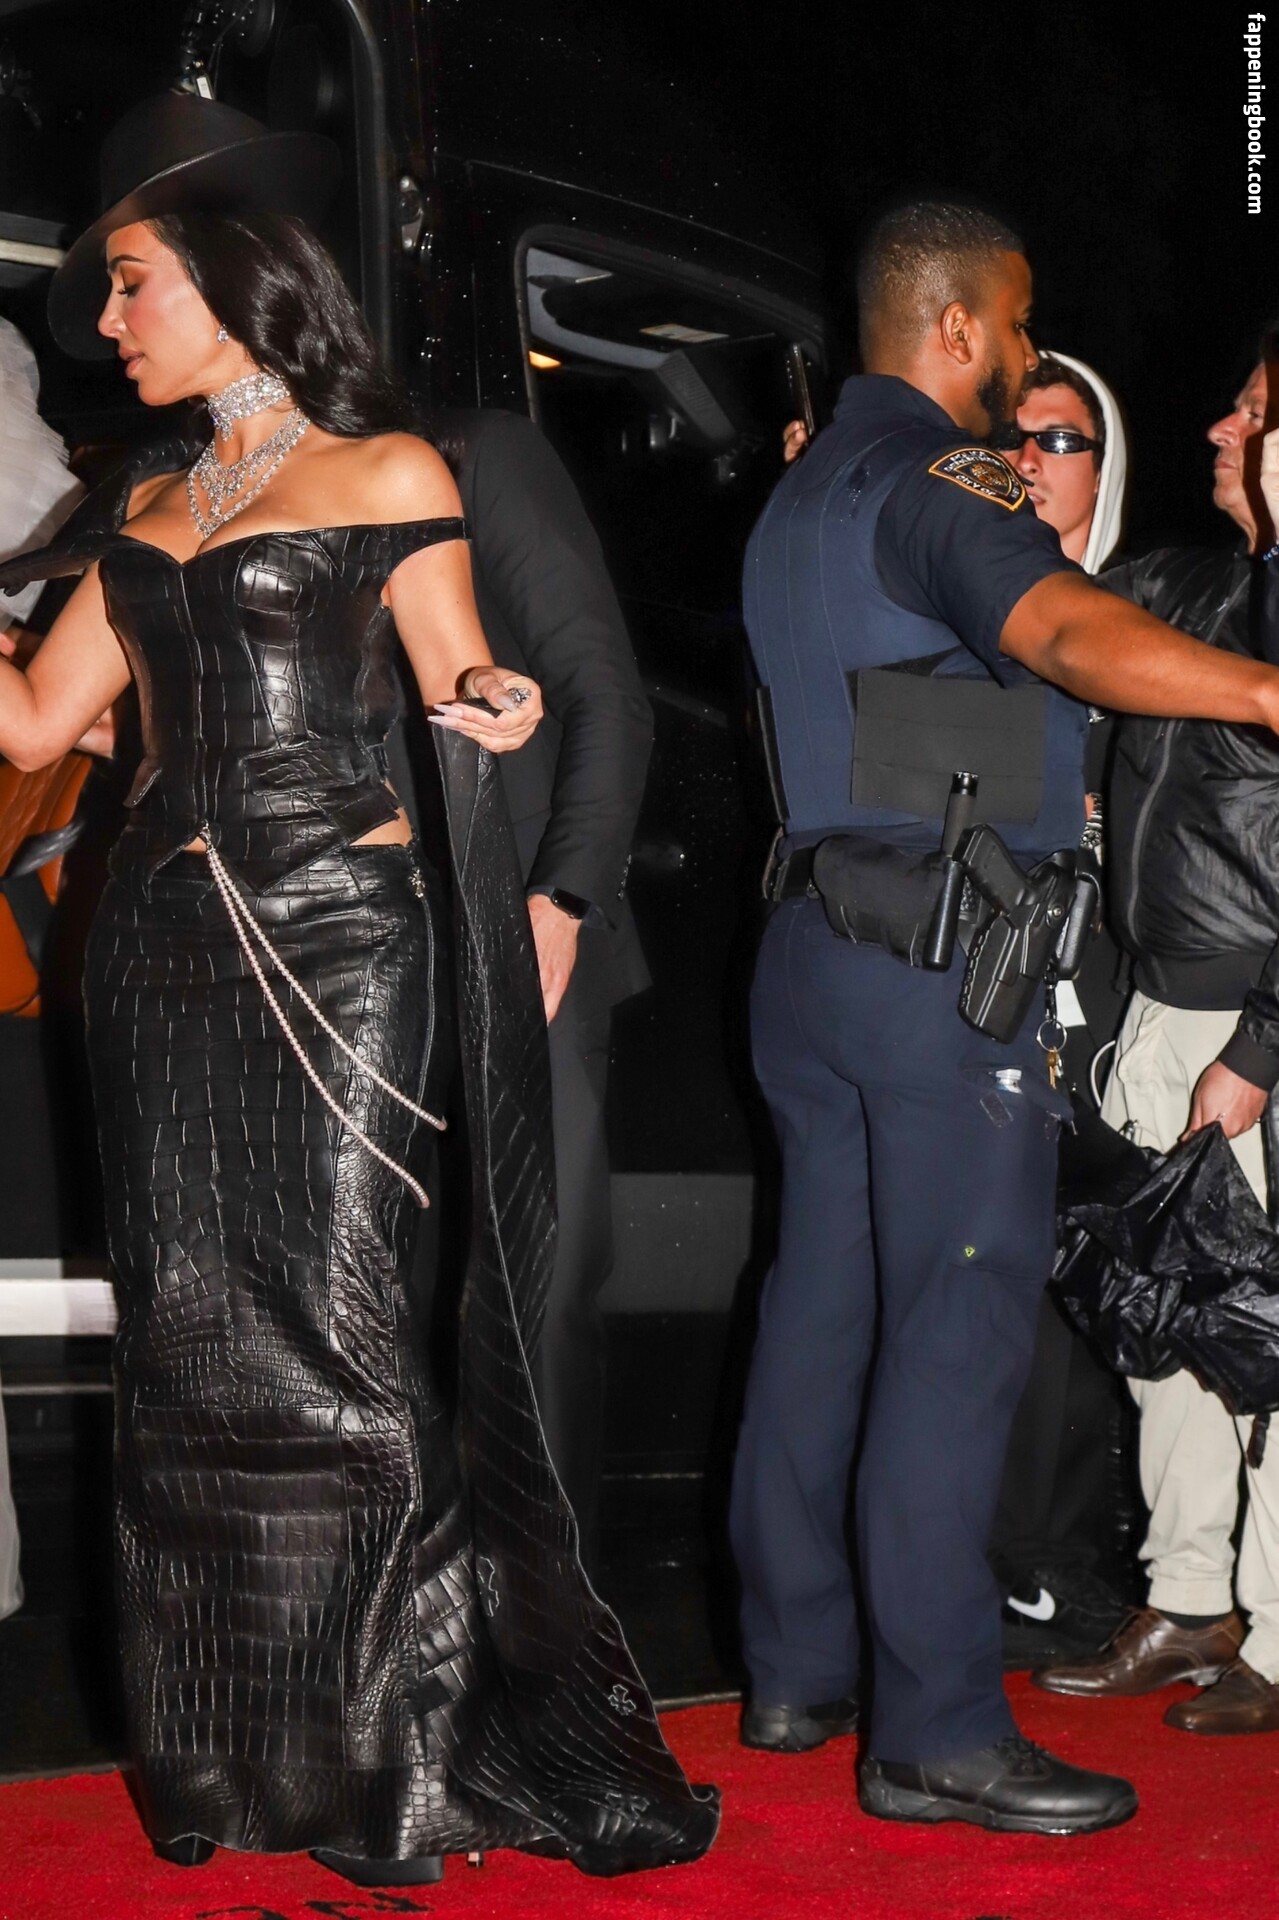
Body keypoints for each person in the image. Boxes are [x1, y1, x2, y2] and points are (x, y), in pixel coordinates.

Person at [0, 93, 715, 1885]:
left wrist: (501, 709)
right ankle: (229, 1766)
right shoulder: (140, 501)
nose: (108, 322)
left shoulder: (391, 473)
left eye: (132, 283)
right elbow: (35, 723)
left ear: (231, 275)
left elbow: (468, 674)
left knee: (339, 1346)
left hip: (337, 946)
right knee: (187, 1354)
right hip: (157, 958)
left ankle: (391, 1766)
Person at [730, 199, 1279, 1835]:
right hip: (935, 974)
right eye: (1020, 321)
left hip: (812, 951)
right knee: (952, 1334)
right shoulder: (939, 481)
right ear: (957, 324)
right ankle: (935, 1730)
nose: (1027, 354)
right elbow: (1061, 629)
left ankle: (793, 1669)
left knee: (817, 1313)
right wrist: (1264, 689)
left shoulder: (801, 488)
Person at [1032, 350, 1279, 1735]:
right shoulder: (1183, 585)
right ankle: (1188, 1600)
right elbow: (1046, 605)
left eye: (1253, 410)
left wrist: (1259, 1046)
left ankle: (1276, 1633)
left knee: (1263, 1333)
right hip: (1160, 1011)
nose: (1220, 424)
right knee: (1166, 1334)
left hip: (1254, 1023)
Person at [422, 409, 652, 1571]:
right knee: (394, 1296)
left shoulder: (478, 457)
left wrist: (560, 898)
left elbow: (604, 689)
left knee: (536, 1294)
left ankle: (549, 1632)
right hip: (352, 941)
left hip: (518, 923)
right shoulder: (258, 480)